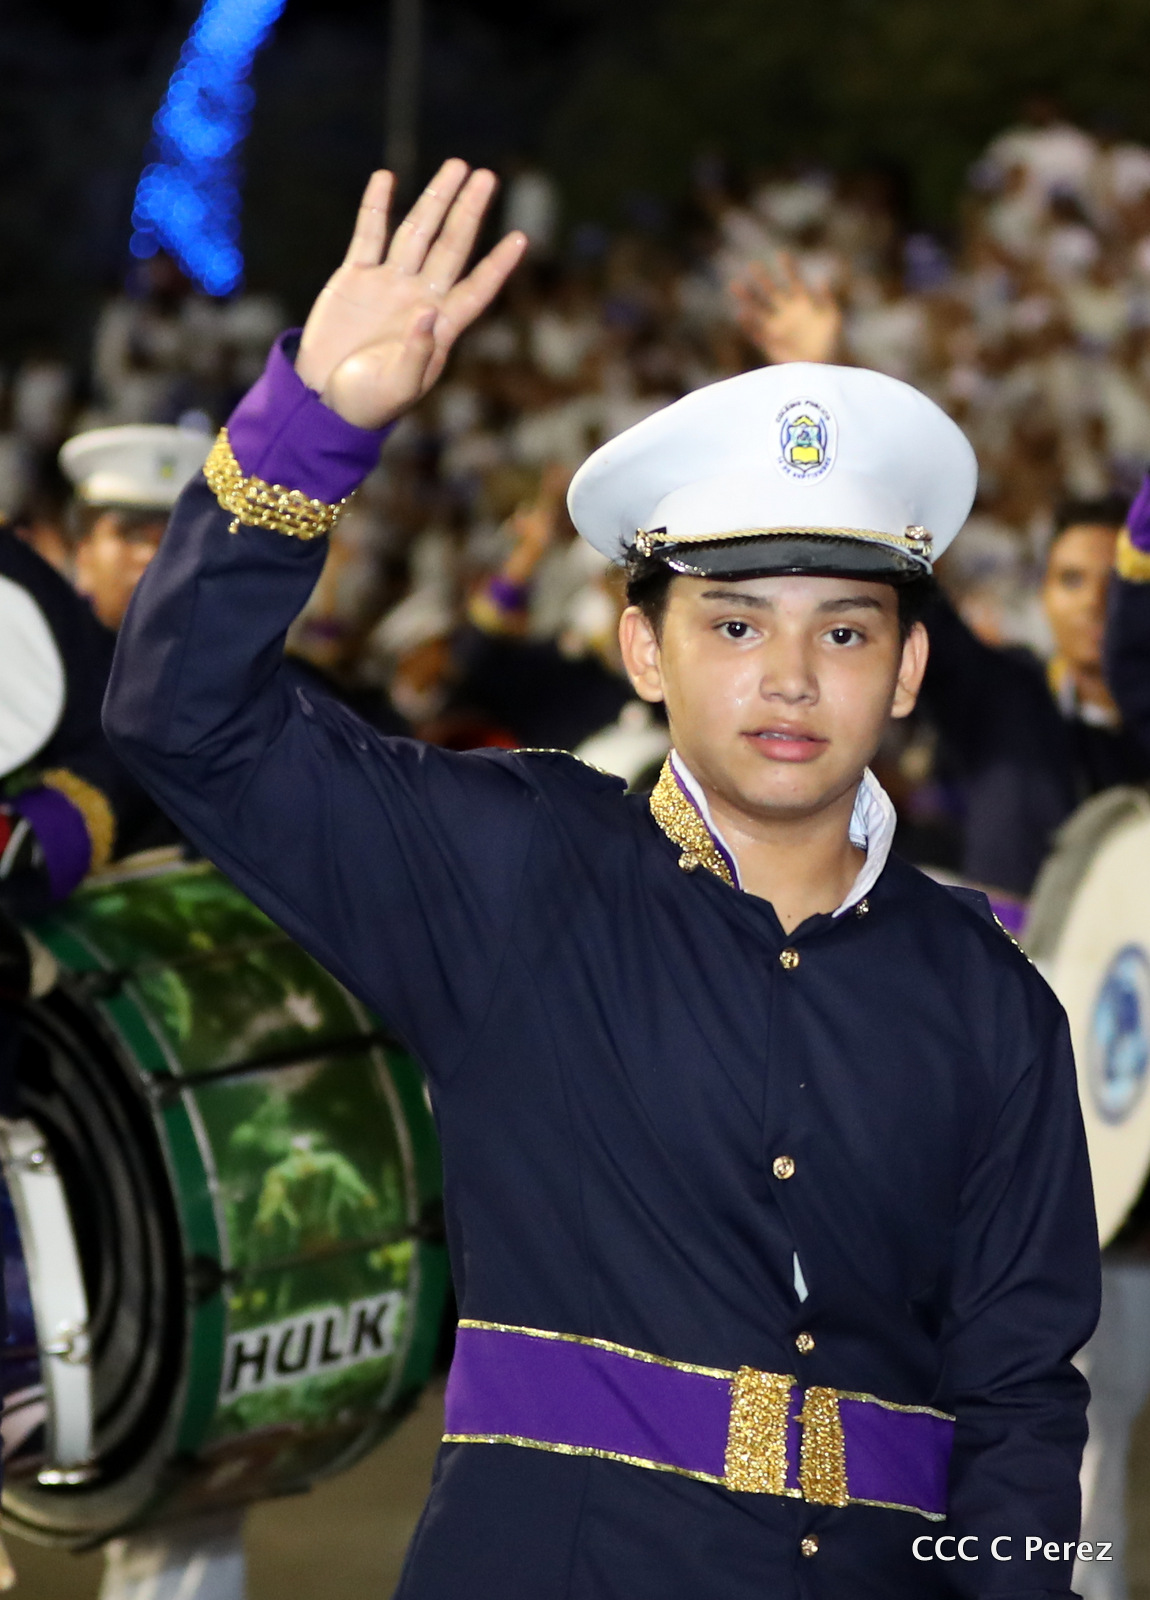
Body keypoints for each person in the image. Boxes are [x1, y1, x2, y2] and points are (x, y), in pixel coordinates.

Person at [105, 160, 1099, 1600]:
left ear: (906, 670)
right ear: (643, 650)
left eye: (842, 632)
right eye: (733, 623)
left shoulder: (992, 999)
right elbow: (181, 721)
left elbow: (1019, 1403)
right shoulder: (514, 867)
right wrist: (310, 426)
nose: (788, 677)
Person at [0, 426, 205, 913]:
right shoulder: (36, 651)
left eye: (178, 539)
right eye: (131, 535)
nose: (151, 557)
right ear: (83, 551)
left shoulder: (275, 684)